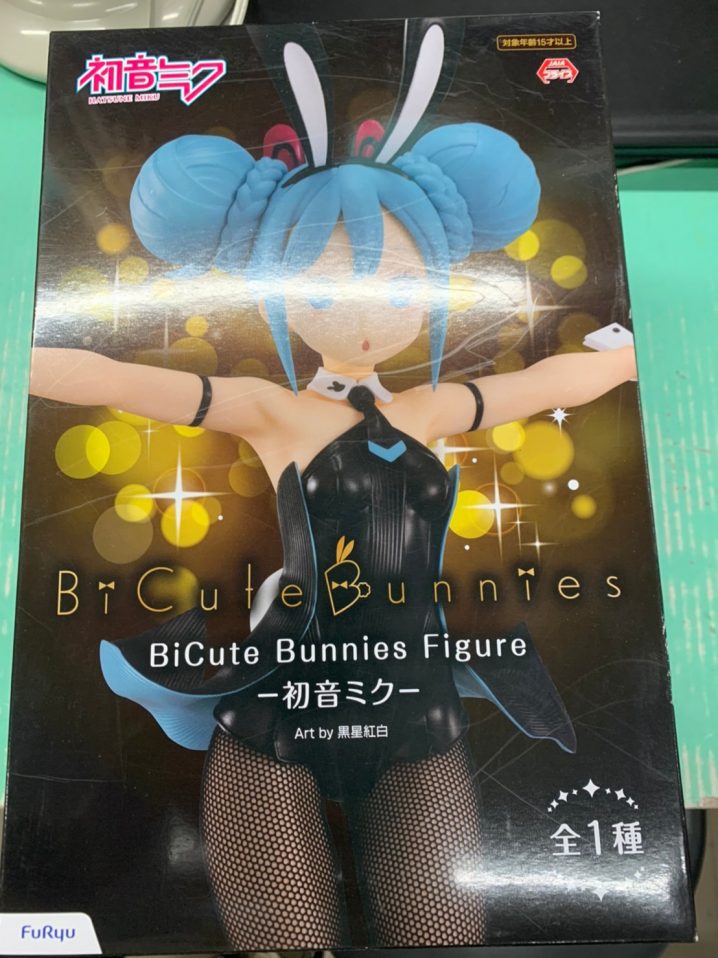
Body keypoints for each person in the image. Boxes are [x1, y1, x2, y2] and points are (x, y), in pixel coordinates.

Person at [28, 28, 636, 950]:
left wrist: (620, 360)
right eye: (320, 288)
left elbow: (543, 384)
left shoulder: (430, 409)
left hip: (415, 706)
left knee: (442, 937)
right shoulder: (275, 411)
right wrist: (25, 354)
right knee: (284, 944)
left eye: (396, 287)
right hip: (279, 705)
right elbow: (121, 381)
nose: (359, 312)